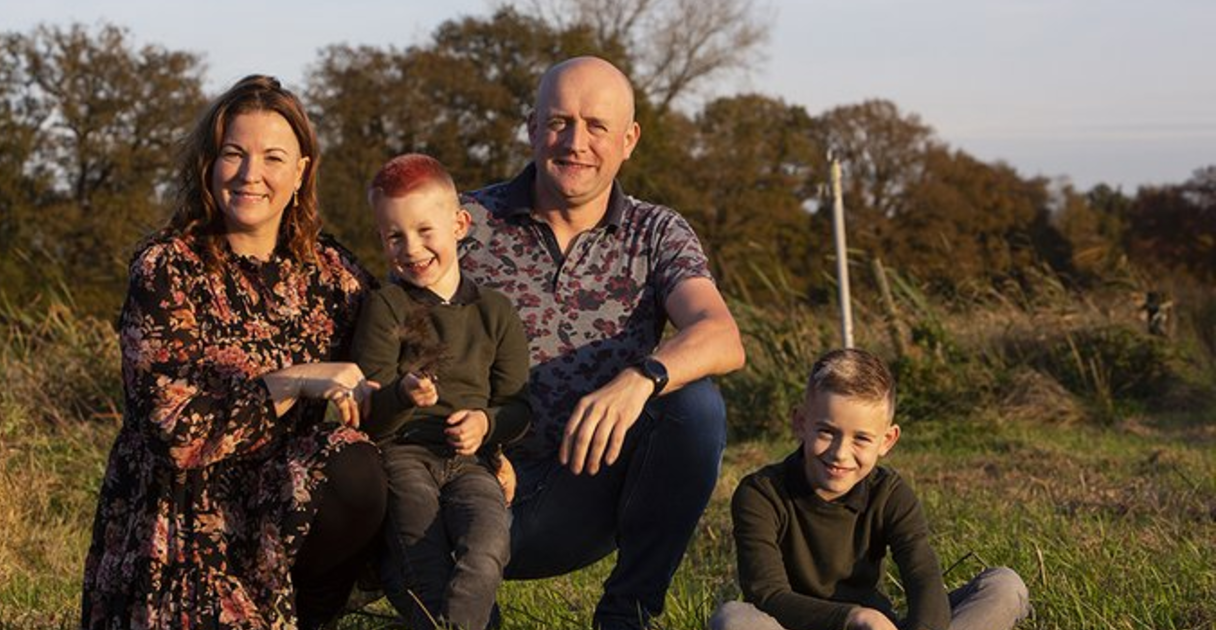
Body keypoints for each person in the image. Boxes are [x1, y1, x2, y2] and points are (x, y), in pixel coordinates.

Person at [81, 75, 387, 630]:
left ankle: (314, 617)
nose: (251, 175)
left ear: (301, 172)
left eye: (273, 157)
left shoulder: (336, 277)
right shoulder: (168, 267)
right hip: (187, 517)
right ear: (208, 165)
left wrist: (484, 443)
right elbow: (171, 430)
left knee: (358, 466)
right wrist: (292, 381)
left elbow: (399, 372)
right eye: (233, 154)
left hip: (286, 509)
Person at [458, 56, 746, 629]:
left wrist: (641, 378)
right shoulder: (466, 222)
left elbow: (721, 336)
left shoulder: (655, 231)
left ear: (629, 139)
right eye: (560, 121)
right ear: (532, 127)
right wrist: (475, 457)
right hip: (470, 490)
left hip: (588, 491)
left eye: (597, 126)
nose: (575, 142)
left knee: (696, 407)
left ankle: (626, 615)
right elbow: (400, 343)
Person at [709, 348, 1031, 630]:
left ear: (887, 440)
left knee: (1004, 586)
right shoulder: (761, 494)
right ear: (801, 422)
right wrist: (854, 618)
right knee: (735, 619)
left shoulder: (890, 494)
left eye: (860, 438)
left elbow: (923, 579)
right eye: (826, 432)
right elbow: (767, 594)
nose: (839, 453)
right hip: (802, 625)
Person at [350, 153, 531, 630]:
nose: (411, 249)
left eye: (425, 231)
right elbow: (368, 416)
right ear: (381, 239)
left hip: (472, 462)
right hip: (403, 454)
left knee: (489, 544)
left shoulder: (495, 312)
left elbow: (518, 407)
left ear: (459, 224)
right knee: (423, 560)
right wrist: (402, 394)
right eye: (395, 237)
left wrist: (487, 423)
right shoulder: (385, 307)